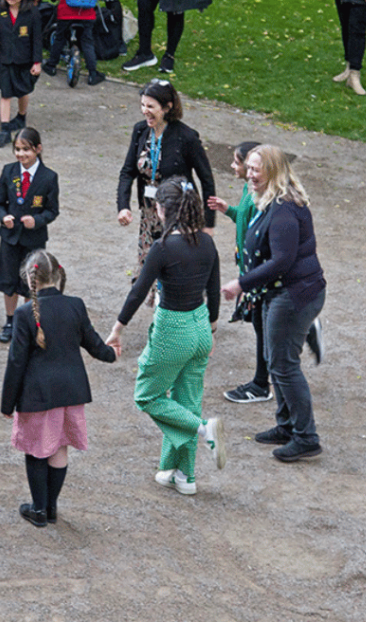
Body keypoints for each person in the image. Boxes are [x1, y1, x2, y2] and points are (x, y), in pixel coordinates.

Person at [105, 178, 226, 495]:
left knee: (147, 395)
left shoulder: (162, 248)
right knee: (187, 401)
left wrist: (117, 329)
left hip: (174, 329)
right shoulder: (208, 243)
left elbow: (137, 293)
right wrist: (211, 332)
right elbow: (213, 291)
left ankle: (202, 429)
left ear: (162, 209)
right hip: (201, 326)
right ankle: (183, 475)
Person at [220, 145, 327, 462]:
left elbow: (282, 261)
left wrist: (242, 284)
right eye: (249, 168)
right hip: (278, 292)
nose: (250, 175)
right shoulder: (267, 201)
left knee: (283, 365)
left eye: (256, 169)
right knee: (274, 357)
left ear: (274, 172)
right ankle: (287, 426)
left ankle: (306, 437)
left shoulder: (282, 210)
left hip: (294, 295)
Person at [0, 251, 116, 526]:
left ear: (30, 279)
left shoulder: (24, 313)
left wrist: (7, 404)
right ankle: (51, 507)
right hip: (70, 393)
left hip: (37, 395)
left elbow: (16, 362)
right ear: (57, 275)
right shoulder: (75, 305)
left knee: (36, 449)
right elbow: (94, 344)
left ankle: (38, 509)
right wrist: (112, 353)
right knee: (59, 447)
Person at [117, 79, 215, 284]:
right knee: (150, 265)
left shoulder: (186, 137)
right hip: (150, 213)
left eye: (151, 106)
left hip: (179, 214)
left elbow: (206, 180)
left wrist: (209, 222)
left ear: (167, 107)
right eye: (143, 105)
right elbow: (128, 171)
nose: (145, 111)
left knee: (175, 269)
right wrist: (123, 206)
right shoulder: (140, 131)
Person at [206, 142, 271, 403]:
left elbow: (259, 229)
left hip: (258, 273)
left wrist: (247, 278)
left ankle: (260, 385)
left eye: (237, 162)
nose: (233, 166)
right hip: (249, 268)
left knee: (261, 325)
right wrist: (228, 210)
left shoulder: (263, 196)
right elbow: (246, 220)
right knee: (261, 324)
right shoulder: (249, 188)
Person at [0, 127, 59, 343]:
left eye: (26, 150)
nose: (21, 155)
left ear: (38, 149)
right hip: (10, 237)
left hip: (34, 240)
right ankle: (10, 320)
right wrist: (3, 218)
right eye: (17, 150)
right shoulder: (9, 171)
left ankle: (27, 319)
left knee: (31, 282)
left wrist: (37, 221)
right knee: (9, 279)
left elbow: (52, 210)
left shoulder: (49, 177)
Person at [0, 0, 42, 148]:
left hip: (24, 60)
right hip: (4, 59)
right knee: (5, 93)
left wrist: (37, 61)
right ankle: (4, 129)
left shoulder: (32, 13)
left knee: (22, 90)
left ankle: (21, 116)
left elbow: (37, 39)